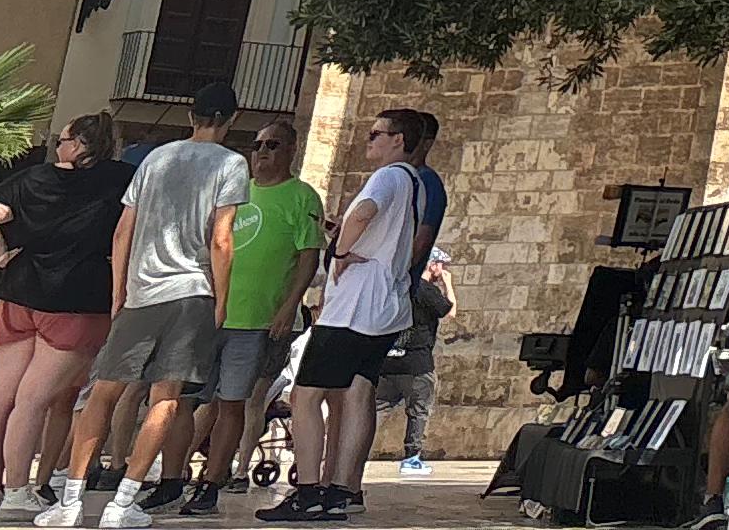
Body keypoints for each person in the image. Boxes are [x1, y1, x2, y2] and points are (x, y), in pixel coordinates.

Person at [39, 82, 246, 530]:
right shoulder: (232, 163)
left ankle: (71, 500)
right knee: (165, 397)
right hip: (193, 292)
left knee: (105, 391)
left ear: (192, 116)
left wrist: (119, 292)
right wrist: (221, 300)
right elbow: (221, 237)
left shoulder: (156, 157)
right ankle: (123, 502)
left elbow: (122, 231)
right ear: (230, 120)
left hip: (141, 291)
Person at [261, 108, 447, 524]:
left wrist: (341, 251)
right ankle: (344, 488)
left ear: (399, 140)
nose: (369, 141)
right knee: (360, 391)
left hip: (353, 309)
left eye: (376, 134)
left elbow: (363, 215)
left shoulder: (387, 177)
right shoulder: (416, 183)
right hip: (386, 307)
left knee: (305, 395)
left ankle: (308, 490)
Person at [0, 114, 132, 518]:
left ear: (79, 144)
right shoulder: (120, 179)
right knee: (33, 400)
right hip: (78, 299)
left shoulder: (32, 179)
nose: (56, 146)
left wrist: (0, 257)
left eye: (61, 140)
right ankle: (17, 495)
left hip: (19, 294)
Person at [185, 118, 322, 516]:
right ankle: (172, 476)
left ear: (290, 151)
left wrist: (288, 306)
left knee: (233, 403)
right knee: (191, 401)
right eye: (257, 144)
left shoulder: (302, 198)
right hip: (211, 314)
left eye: (273, 145)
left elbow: (308, 256)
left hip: (256, 320)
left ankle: (211, 484)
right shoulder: (235, 192)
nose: (262, 152)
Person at [371, 250, 445, 478]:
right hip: (416, 364)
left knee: (373, 408)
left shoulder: (396, 285)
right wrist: (448, 285)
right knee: (419, 411)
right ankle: (412, 458)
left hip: (389, 360)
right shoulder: (425, 289)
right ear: (432, 265)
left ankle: (348, 449)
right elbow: (450, 311)